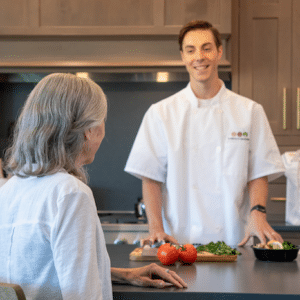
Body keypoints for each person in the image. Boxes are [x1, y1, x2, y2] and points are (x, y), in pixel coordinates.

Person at [0, 73, 187, 300]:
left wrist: (125, 274)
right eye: (102, 120)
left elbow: (43, 275)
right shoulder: (70, 194)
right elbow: (83, 296)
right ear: (88, 130)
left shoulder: (9, 190)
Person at [125, 20, 286, 247]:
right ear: (183, 56)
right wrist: (156, 229)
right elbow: (150, 176)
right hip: (179, 244)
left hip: (236, 240)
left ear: (219, 52)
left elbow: (259, 170)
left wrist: (258, 214)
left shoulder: (249, 111)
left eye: (206, 48)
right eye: (190, 50)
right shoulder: (161, 113)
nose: (199, 57)